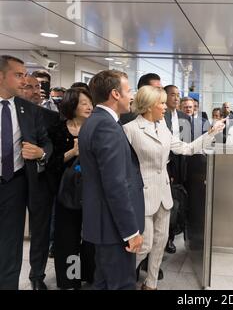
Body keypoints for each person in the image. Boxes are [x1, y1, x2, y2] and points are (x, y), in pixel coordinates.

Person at [123, 86, 224, 290]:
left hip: (164, 192)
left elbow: (185, 149)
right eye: (161, 103)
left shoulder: (162, 126)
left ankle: (150, 284)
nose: (165, 107)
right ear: (150, 106)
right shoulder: (130, 129)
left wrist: (211, 133)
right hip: (141, 193)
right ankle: (120, 279)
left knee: (159, 242)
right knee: (144, 245)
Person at [78, 70, 145, 290]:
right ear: (115, 94)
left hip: (103, 224)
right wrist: (131, 232)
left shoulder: (95, 120)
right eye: (128, 91)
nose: (131, 96)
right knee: (121, 284)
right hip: (114, 228)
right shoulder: (107, 127)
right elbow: (116, 185)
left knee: (103, 282)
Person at [0, 55, 53, 290]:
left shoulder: (29, 110)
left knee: (11, 245)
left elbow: (47, 143)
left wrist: (41, 152)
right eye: (18, 75)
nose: (24, 80)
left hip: (15, 184)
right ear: (1, 76)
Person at [50, 88, 95, 289]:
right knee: (68, 241)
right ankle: (71, 279)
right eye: (83, 102)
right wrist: (73, 152)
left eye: (90, 102)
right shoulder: (58, 129)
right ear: (72, 104)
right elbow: (51, 164)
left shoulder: (97, 128)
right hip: (66, 195)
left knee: (91, 239)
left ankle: (89, 274)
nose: (89, 106)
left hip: (93, 194)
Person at [20, 74, 59, 290]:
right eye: (28, 87)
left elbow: (54, 150)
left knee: (40, 232)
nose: (35, 91)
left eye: (37, 87)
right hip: (13, 182)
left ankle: (37, 275)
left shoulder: (50, 117)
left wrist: (42, 154)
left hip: (41, 181)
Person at [163, 85, 191, 255]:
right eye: (172, 95)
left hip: (180, 162)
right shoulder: (160, 115)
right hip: (166, 163)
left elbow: (187, 143)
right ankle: (164, 238)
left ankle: (170, 237)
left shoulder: (183, 117)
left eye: (178, 95)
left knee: (176, 201)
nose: (176, 98)